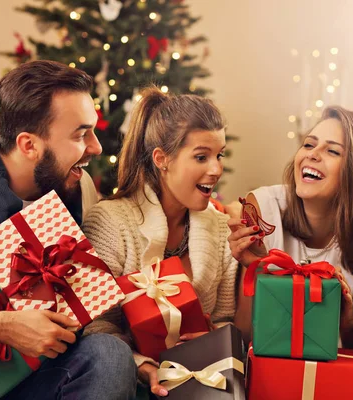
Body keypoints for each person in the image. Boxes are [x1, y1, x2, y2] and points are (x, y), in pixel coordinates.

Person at [0, 60, 137, 400]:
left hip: (35, 378)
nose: (96, 148)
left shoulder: (76, 189)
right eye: (81, 134)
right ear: (28, 145)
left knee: (108, 355)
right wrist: (4, 327)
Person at [81, 86, 243, 397]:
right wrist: (143, 366)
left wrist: (210, 337)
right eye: (201, 156)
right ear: (162, 159)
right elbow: (95, 328)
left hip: (203, 383)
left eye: (219, 155)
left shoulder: (222, 230)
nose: (216, 169)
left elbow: (225, 318)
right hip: (126, 382)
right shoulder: (111, 222)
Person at [227, 106, 353, 362]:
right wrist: (259, 270)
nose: (312, 155)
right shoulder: (263, 209)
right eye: (308, 145)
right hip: (267, 369)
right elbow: (244, 336)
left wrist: (345, 322)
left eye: (332, 151)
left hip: (331, 374)